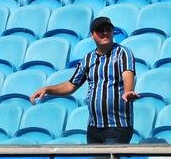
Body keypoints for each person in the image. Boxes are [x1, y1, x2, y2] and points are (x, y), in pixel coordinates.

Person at [30, 16, 139, 144]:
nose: (105, 33)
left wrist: (128, 91)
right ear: (92, 35)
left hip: (118, 125)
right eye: (100, 30)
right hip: (94, 127)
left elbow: (127, 74)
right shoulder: (88, 59)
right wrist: (48, 89)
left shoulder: (123, 53)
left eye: (108, 30)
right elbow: (71, 85)